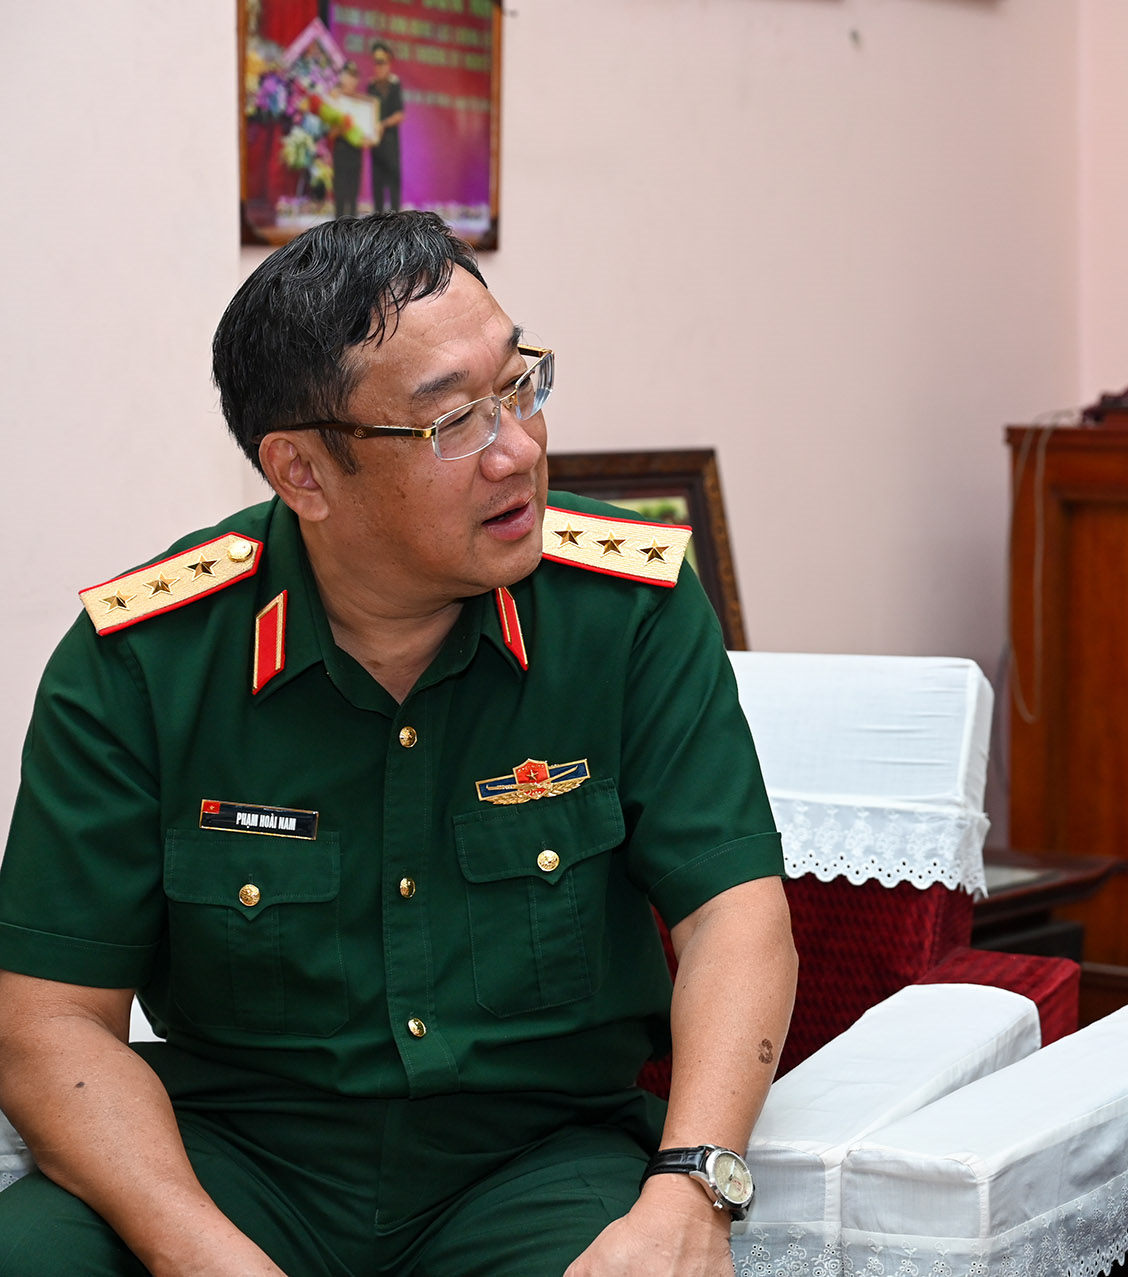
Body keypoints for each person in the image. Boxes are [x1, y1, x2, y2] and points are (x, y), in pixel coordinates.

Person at [0, 211, 796, 1276]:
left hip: (533, 1159)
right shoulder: (145, 659)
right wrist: (202, 1253)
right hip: (236, 1160)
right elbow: (48, 1016)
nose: (518, 449)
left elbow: (734, 915)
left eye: (519, 386)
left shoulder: (628, 611)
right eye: (452, 421)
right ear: (302, 472)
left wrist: (692, 1186)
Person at [368, 43, 405, 213]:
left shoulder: (394, 84)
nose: (378, 66)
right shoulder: (371, 86)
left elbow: (400, 114)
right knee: (377, 186)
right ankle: (378, 222)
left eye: (382, 62)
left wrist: (383, 124)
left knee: (393, 185)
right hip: (376, 144)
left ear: (389, 63)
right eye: (376, 62)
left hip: (390, 143)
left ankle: (396, 222)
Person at [329, 62, 366, 221]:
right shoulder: (335, 100)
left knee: (353, 197)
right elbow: (330, 133)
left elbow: (366, 131)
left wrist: (369, 136)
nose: (350, 81)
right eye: (348, 76)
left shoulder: (361, 102)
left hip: (356, 153)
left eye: (353, 77)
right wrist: (343, 128)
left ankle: (352, 232)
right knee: (340, 196)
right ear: (342, 78)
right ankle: (338, 231)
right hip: (341, 150)